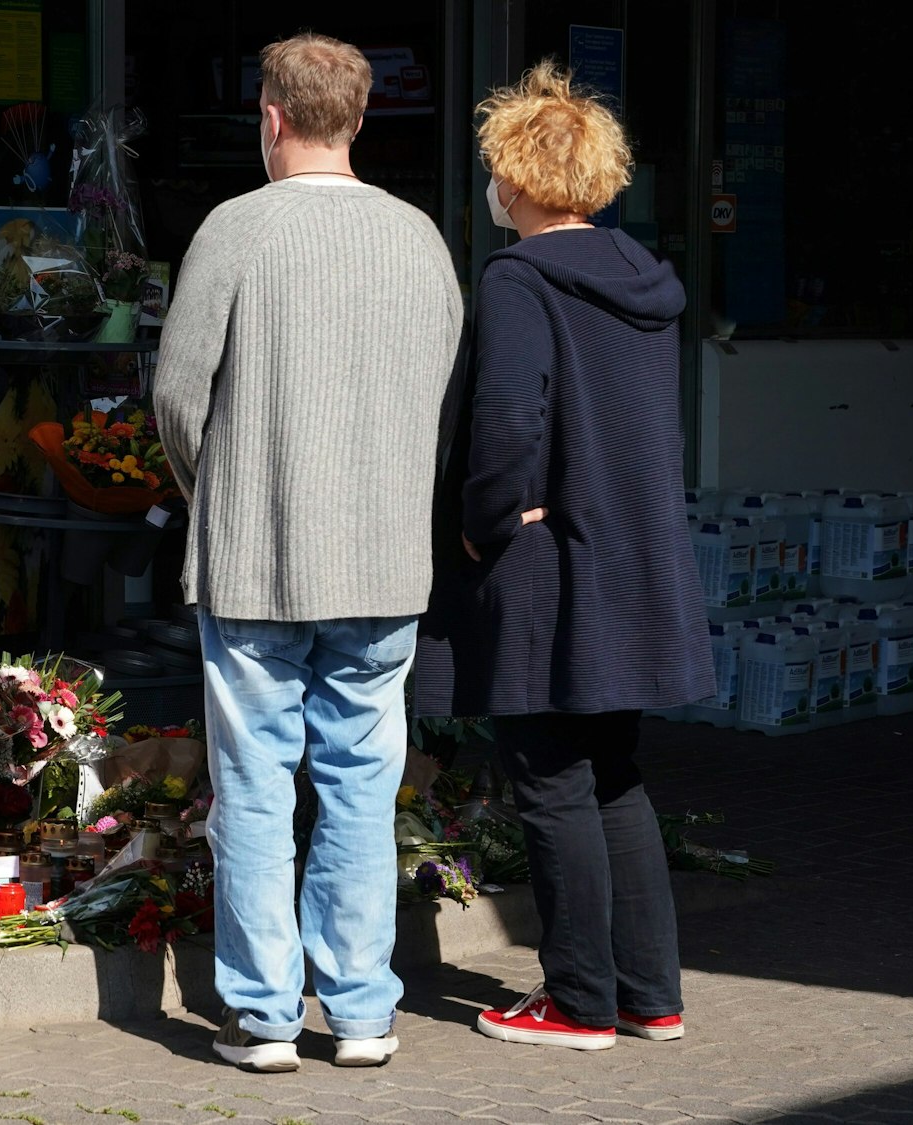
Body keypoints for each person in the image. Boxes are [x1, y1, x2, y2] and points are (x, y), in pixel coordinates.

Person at [157, 32, 464, 1073]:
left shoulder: (236, 228)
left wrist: (215, 493)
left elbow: (176, 397)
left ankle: (263, 1016)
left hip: (256, 557)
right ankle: (364, 1011)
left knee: (253, 787)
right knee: (361, 787)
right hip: (382, 557)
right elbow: (441, 395)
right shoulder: (419, 237)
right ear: (359, 119)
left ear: (271, 116)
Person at [413, 61, 711, 1051]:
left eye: (496, 171)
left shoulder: (518, 279)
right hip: (629, 557)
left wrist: (484, 521)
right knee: (612, 771)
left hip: (544, 563)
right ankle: (649, 995)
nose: (491, 188)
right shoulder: (642, 281)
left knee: (547, 776)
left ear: (518, 179)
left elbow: (506, 416)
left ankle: (578, 1001)